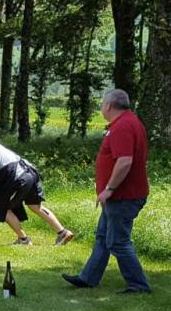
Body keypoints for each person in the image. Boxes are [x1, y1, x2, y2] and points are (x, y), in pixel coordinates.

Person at [62, 89, 152, 294]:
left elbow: (124, 161)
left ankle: (139, 284)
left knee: (117, 242)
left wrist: (109, 189)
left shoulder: (123, 126)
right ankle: (88, 278)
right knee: (103, 237)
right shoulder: (127, 122)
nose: (101, 107)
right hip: (119, 196)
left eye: (102, 103)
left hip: (124, 196)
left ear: (109, 106)